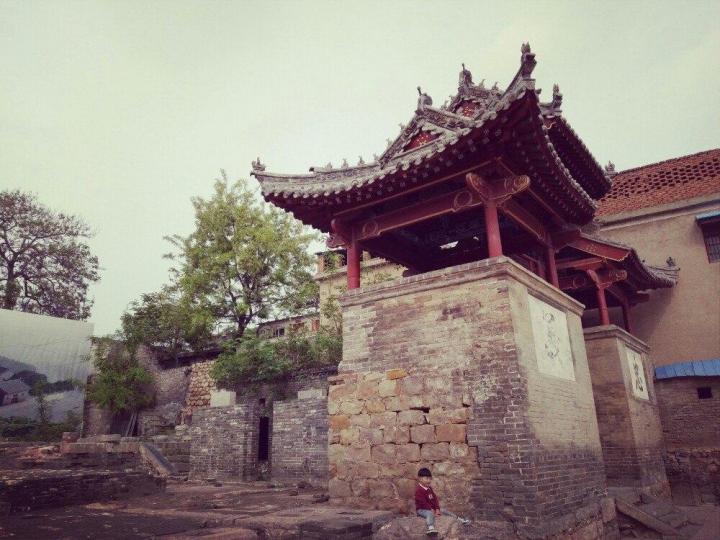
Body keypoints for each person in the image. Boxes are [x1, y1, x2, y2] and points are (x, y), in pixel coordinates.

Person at [415, 467, 470, 536]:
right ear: (420, 479)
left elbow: (435, 499)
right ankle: (431, 528)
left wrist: (437, 509)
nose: (429, 481)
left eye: (430, 478)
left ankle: (460, 520)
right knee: (429, 513)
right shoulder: (419, 490)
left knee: (444, 511)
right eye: (426, 478)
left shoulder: (429, 488)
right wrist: (431, 510)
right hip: (422, 510)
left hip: (432, 509)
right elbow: (422, 502)